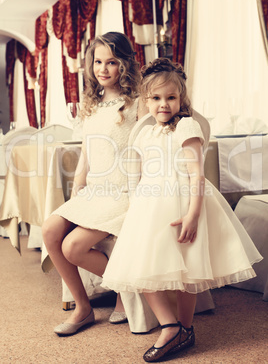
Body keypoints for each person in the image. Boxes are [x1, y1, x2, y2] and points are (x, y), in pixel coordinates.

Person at [101, 58, 262, 362]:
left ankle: (185, 328)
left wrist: (193, 214)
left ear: (181, 98)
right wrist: (135, 207)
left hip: (183, 201)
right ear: (145, 101)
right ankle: (170, 325)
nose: (164, 104)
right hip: (150, 206)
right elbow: (138, 174)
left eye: (171, 97)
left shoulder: (186, 126)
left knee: (188, 269)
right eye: (156, 98)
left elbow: (197, 175)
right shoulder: (144, 132)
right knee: (140, 269)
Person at [42, 31, 146, 335]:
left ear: (124, 64)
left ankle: (123, 290)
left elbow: (145, 148)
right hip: (94, 192)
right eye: (98, 62)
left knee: (73, 247)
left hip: (122, 191)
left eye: (111, 62)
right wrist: (77, 188)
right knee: (51, 229)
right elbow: (88, 151)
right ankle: (83, 307)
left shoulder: (136, 103)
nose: (103, 68)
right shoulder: (92, 103)